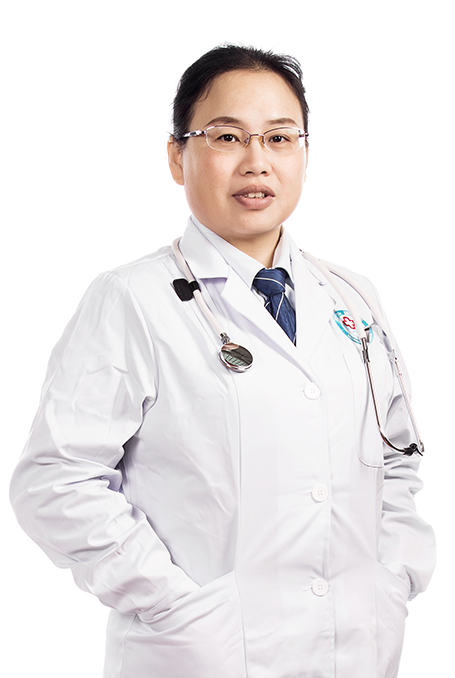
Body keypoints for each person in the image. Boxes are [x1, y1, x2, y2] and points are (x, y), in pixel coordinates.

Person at [10, 44, 435, 678]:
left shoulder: (352, 295)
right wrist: (173, 605)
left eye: (280, 138)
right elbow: (55, 480)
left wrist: (393, 577)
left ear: (305, 154)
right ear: (177, 156)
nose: (257, 161)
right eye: (228, 136)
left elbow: (395, 459)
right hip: (203, 654)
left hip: (357, 648)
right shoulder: (131, 298)